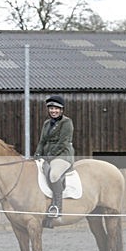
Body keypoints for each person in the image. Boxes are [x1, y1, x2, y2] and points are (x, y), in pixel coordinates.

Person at [34, 95, 74, 228]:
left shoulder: (67, 123)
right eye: (51, 108)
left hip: (62, 156)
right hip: (47, 156)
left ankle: (57, 207)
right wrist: (37, 154)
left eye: (56, 109)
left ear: (61, 110)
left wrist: (48, 156)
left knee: (54, 175)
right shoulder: (46, 124)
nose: (53, 111)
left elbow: (63, 143)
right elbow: (42, 141)